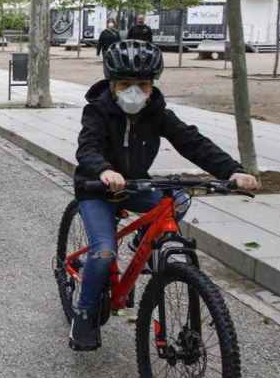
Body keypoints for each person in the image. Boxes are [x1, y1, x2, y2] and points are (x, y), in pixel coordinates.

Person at [70, 40, 259, 351]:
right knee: (103, 253)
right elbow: (87, 148)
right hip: (97, 189)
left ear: (152, 85)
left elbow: (193, 142)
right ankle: (85, 313)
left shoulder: (157, 113)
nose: (135, 92)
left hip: (135, 186)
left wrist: (232, 171)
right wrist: (103, 170)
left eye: (142, 85)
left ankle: (142, 237)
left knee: (179, 199)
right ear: (112, 85)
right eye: (125, 85)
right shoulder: (97, 112)